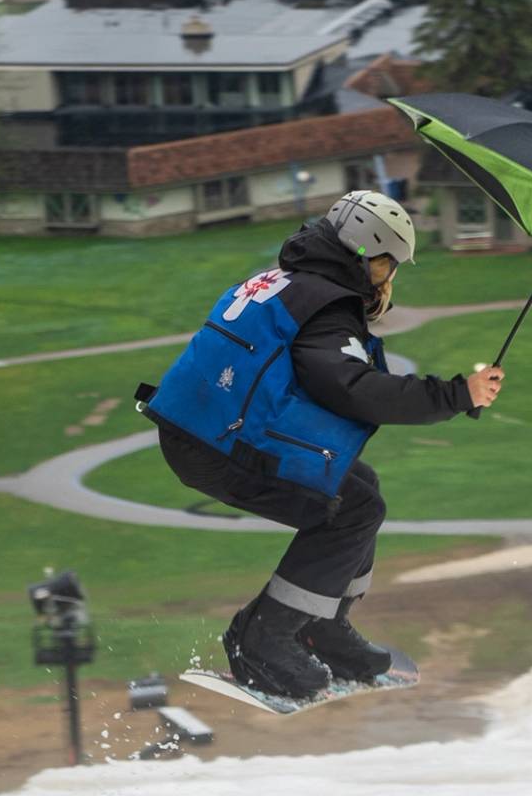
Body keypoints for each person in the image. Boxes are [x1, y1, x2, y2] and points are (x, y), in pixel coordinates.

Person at [139, 190, 506, 698]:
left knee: (359, 485)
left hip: (198, 429)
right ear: (364, 256)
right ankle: (261, 641)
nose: (388, 280)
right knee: (351, 509)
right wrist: (456, 393)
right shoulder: (327, 306)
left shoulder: (290, 280)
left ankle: (322, 626)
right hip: (216, 445)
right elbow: (352, 388)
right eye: (387, 267)